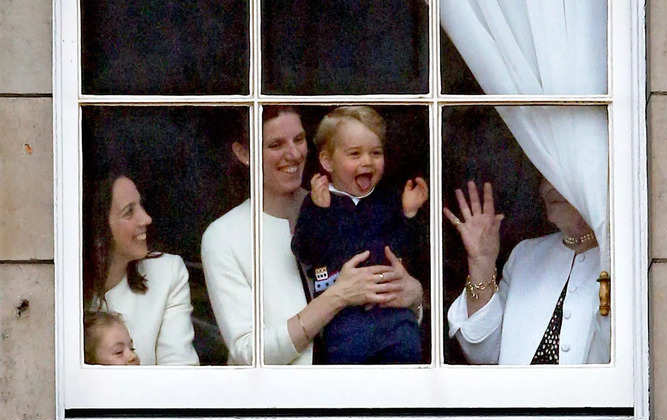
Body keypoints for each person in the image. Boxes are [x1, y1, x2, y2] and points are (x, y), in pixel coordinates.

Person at [201, 106, 424, 365]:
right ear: (244, 153)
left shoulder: (340, 204)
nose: (294, 154)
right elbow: (248, 352)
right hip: (281, 401)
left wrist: (414, 295)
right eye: (275, 145)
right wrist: (337, 297)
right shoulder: (223, 236)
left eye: (299, 140)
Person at [291, 106, 428, 364]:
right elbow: (305, 250)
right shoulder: (320, 202)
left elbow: (408, 249)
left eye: (375, 153)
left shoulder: (388, 200)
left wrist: (408, 214)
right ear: (327, 161)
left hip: (393, 310)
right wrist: (321, 212)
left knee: (407, 354)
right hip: (345, 317)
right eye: (355, 154)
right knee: (348, 375)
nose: (367, 161)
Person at [444, 179, 609, 365]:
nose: (549, 185)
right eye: (544, 175)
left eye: (558, 173)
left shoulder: (620, 259)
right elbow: (481, 352)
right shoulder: (525, 254)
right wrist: (481, 265)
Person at [84, 173, 200, 366]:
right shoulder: (64, 287)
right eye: (129, 212)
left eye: (141, 206)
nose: (146, 218)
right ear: (98, 229)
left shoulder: (167, 272)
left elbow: (179, 370)